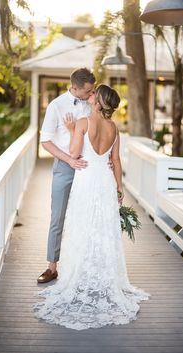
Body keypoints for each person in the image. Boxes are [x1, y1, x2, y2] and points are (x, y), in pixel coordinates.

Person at [34, 84, 150, 330]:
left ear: (98, 102)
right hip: (105, 182)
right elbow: (115, 161)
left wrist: (72, 129)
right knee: (103, 229)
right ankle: (102, 276)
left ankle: (81, 276)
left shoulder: (84, 122)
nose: (91, 96)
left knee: (82, 227)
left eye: (94, 95)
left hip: (86, 180)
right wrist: (119, 188)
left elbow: (75, 154)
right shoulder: (114, 128)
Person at [37, 68, 96, 284]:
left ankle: (84, 265)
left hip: (90, 168)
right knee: (57, 216)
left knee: (87, 217)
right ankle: (52, 266)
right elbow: (45, 141)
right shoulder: (56, 106)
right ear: (75, 87)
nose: (92, 94)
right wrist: (69, 160)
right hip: (65, 166)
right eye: (88, 90)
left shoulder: (93, 104)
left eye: (93, 90)